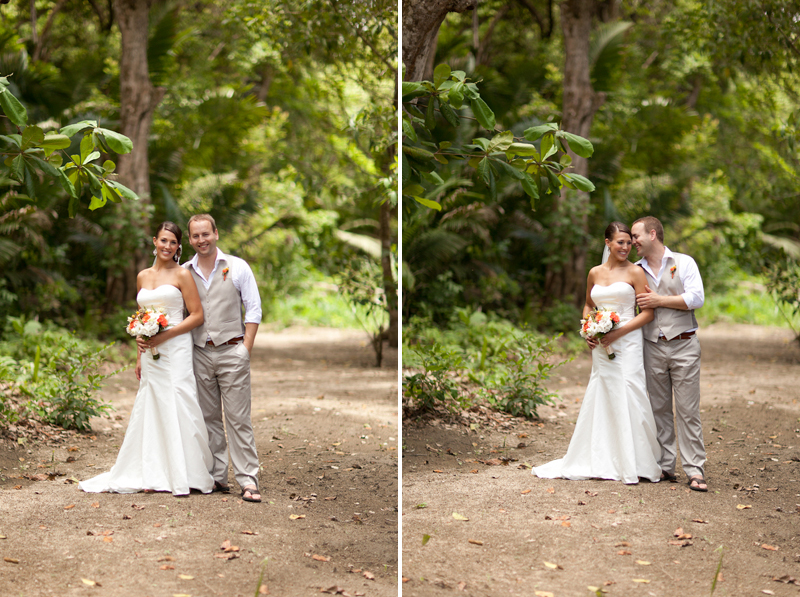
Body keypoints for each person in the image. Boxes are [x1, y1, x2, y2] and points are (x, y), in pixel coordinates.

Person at [80, 222, 215, 496]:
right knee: (152, 403)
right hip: (151, 353)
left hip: (175, 348)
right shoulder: (142, 276)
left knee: (179, 401)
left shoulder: (182, 275)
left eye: (173, 242)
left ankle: (185, 472)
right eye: (163, 240)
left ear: (179, 247)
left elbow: (197, 315)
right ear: (154, 241)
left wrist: (165, 337)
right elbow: (142, 318)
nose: (167, 246)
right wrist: (139, 352)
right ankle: (152, 471)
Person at [532, 222, 662, 484]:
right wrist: (589, 330)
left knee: (629, 391)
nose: (626, 247)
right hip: (602, 345)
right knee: (603, 392)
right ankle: (600, 457)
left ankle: (634, 461)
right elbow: (589, 305)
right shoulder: (594, 273)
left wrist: (618, 332)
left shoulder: (636, 272)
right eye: (620, 242)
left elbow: (648, 313)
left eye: (628, 242)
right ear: (607, 243)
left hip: (628, 342)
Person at [181, 214, 263, 503]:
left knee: (238, 418)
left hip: (232, 350)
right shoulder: (184, 271)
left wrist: (245, 349)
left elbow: (253, 310)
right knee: (209, 418)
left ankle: (248, 479)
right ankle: (217, 476)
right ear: (189, 240)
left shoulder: (237, 267)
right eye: (195, 236)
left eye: (206, 234)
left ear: (216, 233)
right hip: (199, 352)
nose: (201, 240)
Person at [631, 216, 707, 492]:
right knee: (659, 409)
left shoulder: (683, 262)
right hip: (651, 346)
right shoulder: (634, 269)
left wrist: (659, 300)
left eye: (636, 235)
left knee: (688, 410)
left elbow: (696, 298)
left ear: (653, 234)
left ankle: (695, 469)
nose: (632, 241)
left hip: (684, 345)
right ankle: (665, 465)